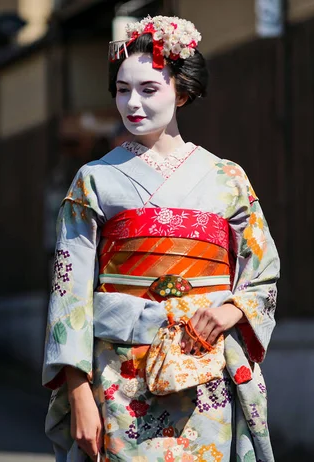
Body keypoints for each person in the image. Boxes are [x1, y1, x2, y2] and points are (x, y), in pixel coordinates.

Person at [43, 16, 280, 462]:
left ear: (182, 91)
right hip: (119, 371)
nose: (132, 103)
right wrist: (77, 391)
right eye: (122, 89)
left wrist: (233, 310)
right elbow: (68, 292)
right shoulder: (93, 180)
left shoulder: (227, 179)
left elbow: (262, 270)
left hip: (203, 366)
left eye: (149, 89)